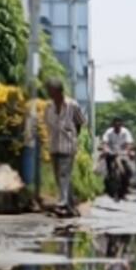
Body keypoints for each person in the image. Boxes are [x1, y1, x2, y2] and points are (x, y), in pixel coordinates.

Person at [43, 80, 87, 217]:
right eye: (49, 91)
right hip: (54, 145)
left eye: (52, 91)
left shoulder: (72, 105)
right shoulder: (48, 106)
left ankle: (62, 204)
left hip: (67, 146)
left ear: (59, 92)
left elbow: (81, 122)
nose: (50, 94)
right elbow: (47, 123)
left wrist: (72, 135)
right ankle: (71, 207)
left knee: (63, 175)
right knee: (60, 177)